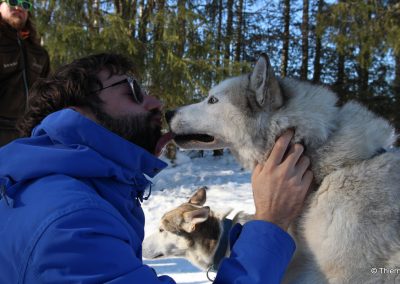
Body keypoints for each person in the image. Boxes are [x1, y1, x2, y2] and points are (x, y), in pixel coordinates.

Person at [0, 53, 312, 283]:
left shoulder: (63, 189)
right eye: (132, 90)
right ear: (78, 113)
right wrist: (270, 220)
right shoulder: (70, 221)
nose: (155, 102)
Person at [0, 0, 50, 147]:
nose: (19, 7)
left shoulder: (39, 53)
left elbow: (46, 93)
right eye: (13, 1)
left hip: (29, 132)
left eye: (25, 4)